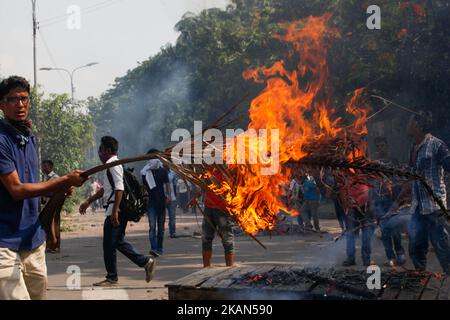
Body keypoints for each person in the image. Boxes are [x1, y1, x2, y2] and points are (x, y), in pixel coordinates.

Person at [0, 76, 86, 300]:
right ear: (1, 104)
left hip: (32, 239)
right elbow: (17, 190)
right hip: (4, 242)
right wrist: (63, 180)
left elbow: (33, 181)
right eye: (12, 99)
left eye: (24, 99)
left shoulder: (29, 137)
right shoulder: (1, 140)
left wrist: (56, 189)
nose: (20, 104)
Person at [79, 136, 155, 286]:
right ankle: (145, 262)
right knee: (118, 242)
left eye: (100, 150)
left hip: (116, 210)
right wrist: (88, 201)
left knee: (109, 244)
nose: (99, 154)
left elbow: (119, 188)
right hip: (117, 209)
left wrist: (114, 212)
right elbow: (106, 190)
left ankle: (112, 276)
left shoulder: (113, 164)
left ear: (107, 150)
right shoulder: (110, 165)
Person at [392, 111, 450, 274]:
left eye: (409, 122)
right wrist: (398, 201)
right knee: (416, 246)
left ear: (417, 125)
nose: (407, 126)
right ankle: (420, 277)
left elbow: (448, 165)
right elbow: (411, 179)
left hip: (434, 208)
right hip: (417, 208)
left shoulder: (437, 145)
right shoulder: (412, 148)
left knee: (441, 246)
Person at [370, 136, 406, 267]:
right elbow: (372, 183)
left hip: (391, 200)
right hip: (379, 201)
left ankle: (400, 254)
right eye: (378, 146)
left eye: (382, 145)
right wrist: (372, 201)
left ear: (387, 146)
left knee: (395, 229)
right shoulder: (374, 163)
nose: (380, 148)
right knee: (384, 232)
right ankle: (390, 257)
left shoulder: (393, 161)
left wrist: (398, 200)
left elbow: (400, 180)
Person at [141, 149, 171, 257]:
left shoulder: (162, 171)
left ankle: (160, 248)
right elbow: (144, 187)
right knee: (152, 226)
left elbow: (167, 184)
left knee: (161, 228)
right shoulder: (145, 172)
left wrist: (168, 195)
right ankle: (153, 248)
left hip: (161, 202)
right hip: (151, 203)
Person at [202, 170, 235, 267]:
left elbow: (229, 186)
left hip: (222, 209)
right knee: (206, 239)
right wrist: (196, 196)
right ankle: (206, 268)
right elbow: (205, 186)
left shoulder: (227, 169)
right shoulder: (209, 168)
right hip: (208, 207)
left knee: (227, 240)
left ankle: (230, 268)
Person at [343, 182, 375, 267]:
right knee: (350, 234)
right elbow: (343, 190)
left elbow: (372, 187)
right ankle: (350, 258)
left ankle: (366, 259)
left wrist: (371, 205)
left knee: (367, 235)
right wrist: (346, 205)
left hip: (366, 207)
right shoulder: (346, 175)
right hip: (352, 207)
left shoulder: (365, 174)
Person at [41, 160, 61, 253]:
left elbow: (57, 192)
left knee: (54, 224)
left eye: (46, 166)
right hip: (47, 204)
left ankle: (56, 246)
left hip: (54, 204)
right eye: (43, 166)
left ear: (51, 167)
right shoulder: (45, 177)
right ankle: (49, 245)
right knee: (48, 225)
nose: (44, 168)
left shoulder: (55, 177)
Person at [165, 167, 178, 238]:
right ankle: (160, 231)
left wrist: (175, 196)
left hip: (172, 198)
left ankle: (172, 232)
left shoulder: (173, 173)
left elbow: (175, 185)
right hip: (162, 198)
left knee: (172, 217)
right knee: (161, 217)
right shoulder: (158, 172)